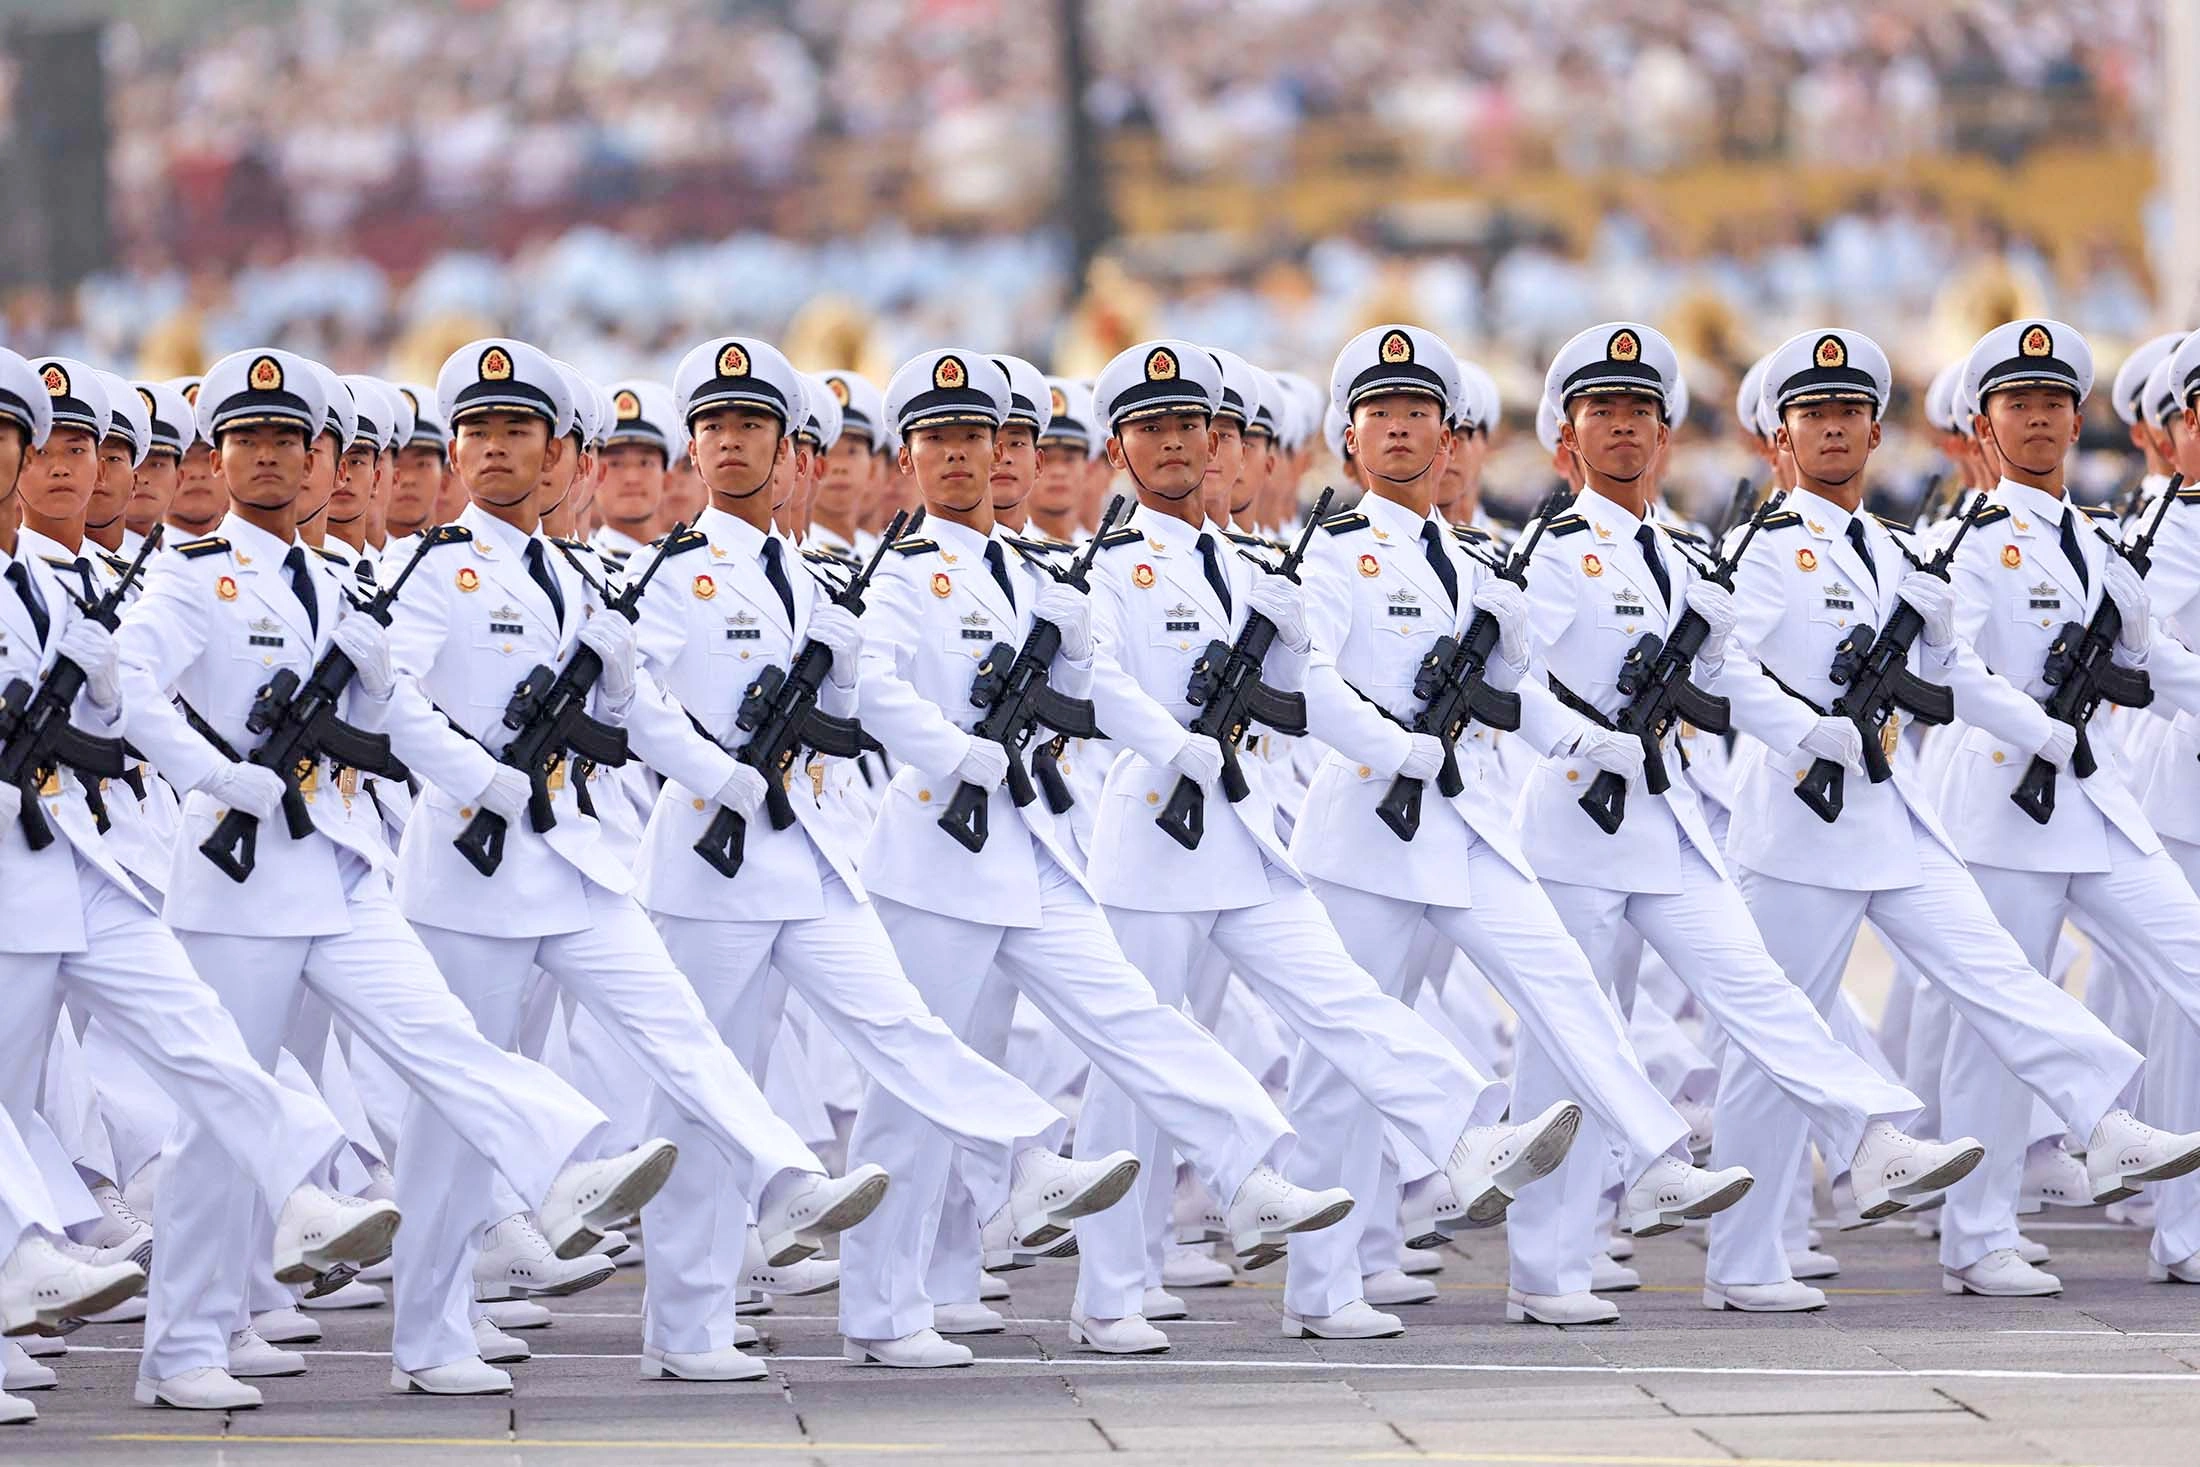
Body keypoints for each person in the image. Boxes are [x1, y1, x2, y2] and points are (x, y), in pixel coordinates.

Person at [372, 337, 890, 1385]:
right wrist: (480, 782)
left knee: (683, 1037)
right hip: (468, 879)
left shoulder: (573, 578)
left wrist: (691, 752)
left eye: (518, 431)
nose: (494, 450)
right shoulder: (426, 571)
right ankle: (429, 1335)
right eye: (476, 431)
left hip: (573, 860)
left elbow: (637, 717)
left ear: (563, 455)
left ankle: (782, 1177)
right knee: (456, 1115)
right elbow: (389, 703)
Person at [1070, 339, 1583, 1348]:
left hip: (1246, 837)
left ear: (1219, 445)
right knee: (1132, 1068)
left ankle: (1458, 1145)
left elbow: (1312, 695)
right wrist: (1178, 748)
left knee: (1345, 1012)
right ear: (1119, 450)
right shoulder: (1111, 568)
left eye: (1191, 429)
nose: (1175, 446)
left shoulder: (1254, 568)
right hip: (1151, 842)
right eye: (1151, 430)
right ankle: (1108, 1297)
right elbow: (1098, 685)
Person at [851, 347, 1347, 1362]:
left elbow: (1092, 698)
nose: (958, 458)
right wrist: (960, 754)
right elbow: (872, 691)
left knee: (1130, 1017)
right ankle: (881, 1310)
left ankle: (1247, 1171)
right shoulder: (898, 578)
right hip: (935, 859)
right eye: (937, 442)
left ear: (1005, 453)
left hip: (1035, 844)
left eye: (975, 441)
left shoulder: (1037, 577)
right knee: (917, 1083)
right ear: (910, 456)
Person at [1712, 326, 2196, 1304]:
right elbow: (1714, 666)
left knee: (2012, 987)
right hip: (1851, 821)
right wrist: (1805, 729)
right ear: (1780, 438)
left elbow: (1946, 674)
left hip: (1982, 809)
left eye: (1851, 413)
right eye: (1817, 415)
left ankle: (2101, 1124)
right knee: (1782, 1039)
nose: (1837, 429)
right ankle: (1758, 1257)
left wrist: (2129, 644)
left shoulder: (1917, 552)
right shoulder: (1769, 551)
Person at [1514, 321, 1984, 1312]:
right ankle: (1546, 1269)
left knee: (1760, 994)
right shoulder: (1551, 553)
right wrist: (1578, 741)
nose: (1626, 431)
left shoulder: (1687, 554)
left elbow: (1724, 679)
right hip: (1570, 826)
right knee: (1568, 1045)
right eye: (1604, 413)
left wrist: (1813, 733)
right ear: (1569, 434)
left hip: (1664, 821)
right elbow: (1512, 685)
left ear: (1670, 434)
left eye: (1643, 413)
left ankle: (1868, 1137)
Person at [1291, 324, 1750, 1333]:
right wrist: (1389, 748)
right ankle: (1320, 1288)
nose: (1405, 432)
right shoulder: (1331, 556)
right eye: (1383, 417)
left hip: (1464, 826)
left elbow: (1514, 699)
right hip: (1365, 834)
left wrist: (1585, 747)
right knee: (1341, 1069)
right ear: (1350, 443)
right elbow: (1308, 684)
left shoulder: (1478, 563)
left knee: (1566, 996)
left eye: (1422, 416)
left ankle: (1653, 1161)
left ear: (1453, 443)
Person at [0, 348, 401, 1412]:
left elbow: (107, 724)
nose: (77, 470)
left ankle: (299, 1193)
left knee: (197, 1043)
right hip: (51, 867)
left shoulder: (41, 590)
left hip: (81, 860)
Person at [1933, 320, 2200, 1291]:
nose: (2038, 420)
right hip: (2004, 799)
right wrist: (2030, 723)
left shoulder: (2094, 542)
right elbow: (1949, 666)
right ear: (1983, 423)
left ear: (2075, 418)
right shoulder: (1969, 543)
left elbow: (2152, 662)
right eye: (2018, 404)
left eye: (2052, 403)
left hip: (2093, 798)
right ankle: (1977, 1234)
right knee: (1997, 1018)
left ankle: (2186, 1228)